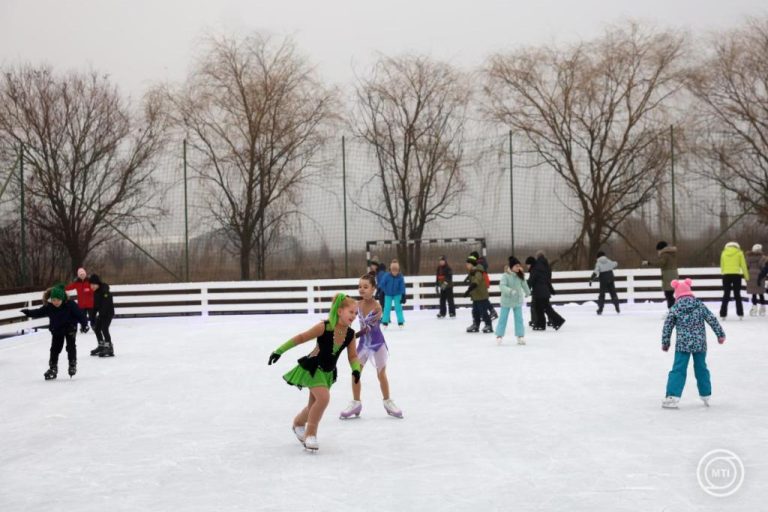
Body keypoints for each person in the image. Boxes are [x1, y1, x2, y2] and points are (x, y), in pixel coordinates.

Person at [268, 293, 360, 451]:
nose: (354, 316)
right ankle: (310, 434)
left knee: (313, 407)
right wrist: (279, 351)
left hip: (328, 373)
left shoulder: (350, 335)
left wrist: (356, 369)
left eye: (356, 313)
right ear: (339, 311)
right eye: (351, 312)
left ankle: (298, 423)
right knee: (323, 399)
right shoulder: (324, 327)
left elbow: (352, 356)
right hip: (313, 368)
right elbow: (301, 337)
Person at [339, 273, 403, 420]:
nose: (362, 289)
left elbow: (368, 328)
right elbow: (347, 316)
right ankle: (356, 403)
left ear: (373, 289)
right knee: (356, 372)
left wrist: (352, 336)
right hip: (363, 345)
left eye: (365, 287)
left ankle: (388, 402)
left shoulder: (378, 307)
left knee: (381, 374)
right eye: (360, 286)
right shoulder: (356, 305)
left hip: (377, 344)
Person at [661, 279, 726, 409]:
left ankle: (672, 396)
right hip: (699, 343)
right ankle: (706, 394)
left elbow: (667, 326)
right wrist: (720, 334)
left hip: (682, 345)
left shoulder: (675, 308)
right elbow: (712, 319)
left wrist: (665, 342)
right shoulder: (699, 305)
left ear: (677, 294)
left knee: (678, 369)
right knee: (701, 368)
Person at [21, 284, 89, 380]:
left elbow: (80, 315)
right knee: (54, 349)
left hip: (70, 327)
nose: (56, 302)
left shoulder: (70, 304)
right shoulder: (49, 307)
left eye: (58, 300)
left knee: (71, 346)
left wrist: (85, 324)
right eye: (53, 300)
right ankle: (53, 368)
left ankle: (72, 364)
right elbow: (38, 312)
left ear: (62, 299)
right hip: (57, 329)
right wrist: (28, 312)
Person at [496, 256, 530, 345]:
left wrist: (527, 292)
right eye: (516, 266)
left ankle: (520, 336)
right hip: (506, 300)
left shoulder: (520, 275)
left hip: (517, 300)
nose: (518, 268)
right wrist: (510, 291)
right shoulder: (505, 275)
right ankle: (499, 336)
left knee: (519, 319)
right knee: (503, 319)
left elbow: (524, 284)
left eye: (519, 266)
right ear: (511, 267)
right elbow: (502, 286)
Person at [528, 252, 565, 331]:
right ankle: (541, 324)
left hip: (539, 291)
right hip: (545, 291)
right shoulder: (546, 266)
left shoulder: (536, 267)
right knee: (539, 308)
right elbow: (548, 279)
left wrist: (527, 288)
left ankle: (558, 321)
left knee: (545, 308)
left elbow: (532, 279)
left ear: (537, 257)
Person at [719, 241, 749, 320]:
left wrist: (723, 273)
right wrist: (746, 277)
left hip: (726, 276)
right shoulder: (739, 253)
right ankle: (740, 314)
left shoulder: (723, 253)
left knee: (726, 294)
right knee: (737, 295)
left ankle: (723, 314)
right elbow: (743, 265)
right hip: (736, 275)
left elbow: (722, 265)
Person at [464, 255, 493, 333]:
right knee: (475, 312)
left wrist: (468, 290)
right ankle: (476, 325)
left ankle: (489, 325)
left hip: (481, 296)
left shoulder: (478, 271)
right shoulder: (472, 271)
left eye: (468, 264)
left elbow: (476, 281)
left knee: (483, 312)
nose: (466, 266)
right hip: (476, 296)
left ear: (472, 264)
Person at [89, 274, 115, 357]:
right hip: (101, 314)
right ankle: (101, 345)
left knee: (104, 328)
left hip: (108, 314)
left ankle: (109, 347)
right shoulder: (95, 292)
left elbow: (105, 305)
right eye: (91, 285)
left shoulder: (105, 291)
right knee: (97, 329)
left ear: (98, 284)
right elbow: (95, 306)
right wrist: (92, 318)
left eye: (94, 284)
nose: (92, 286)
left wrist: (101, 315)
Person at [469, 251, 498, 320]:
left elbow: (478, 272)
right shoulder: (479, 263)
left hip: (482, 281)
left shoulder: (479, 263)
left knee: (483, 298)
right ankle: (488, 312)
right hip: (483, 281)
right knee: (483, 298)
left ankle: (489, 312)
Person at [65, 267, 95, 331]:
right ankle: (84, 327)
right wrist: (62, 288)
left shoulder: (89, 281)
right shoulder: (77, 283)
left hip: (90, 303)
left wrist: (89, 290)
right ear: (78, 276)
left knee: (92, 316)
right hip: (81, 304)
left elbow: (94, 289)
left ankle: (94, 325)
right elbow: (70, 287)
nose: (82, 276)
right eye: (81, 275)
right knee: (82, 316)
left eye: (83, 274)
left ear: (85, 274)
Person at [378, 259, 406, 328]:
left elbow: (402, 286)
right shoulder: (387, 276)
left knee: (398, 308)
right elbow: (382, 283)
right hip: (388, 294)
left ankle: (400, 321)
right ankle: (385, 321)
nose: (394, 272)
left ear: (398, 270)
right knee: (387, 308)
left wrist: (403, 295)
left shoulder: (400, 277)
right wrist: (382, 290)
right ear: (390, 269)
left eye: (396, 270)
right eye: (393, 270)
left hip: (397, 294)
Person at [745, 244, 766, 316]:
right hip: (760, 276)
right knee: (761, 293)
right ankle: (762, 309)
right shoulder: (763, 258)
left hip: (751, 276)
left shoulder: (748, 257)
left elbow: (746, 267)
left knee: (754, 293)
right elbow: (763, 267)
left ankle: (754, 308)